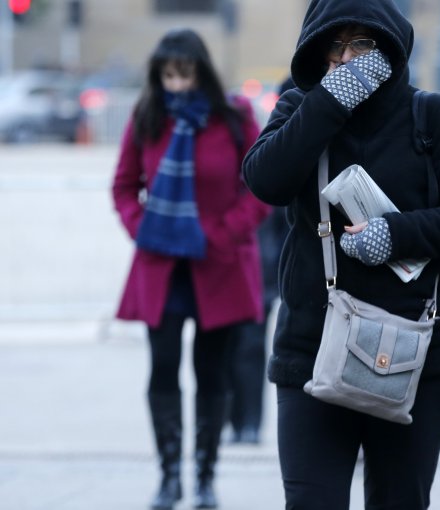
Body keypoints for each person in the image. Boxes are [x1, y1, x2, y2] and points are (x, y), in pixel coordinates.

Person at [241, 1, 440, 508]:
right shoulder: (301, 106)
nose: (345, 58)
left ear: (388, 49)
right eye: (333, 46)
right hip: (311, 352)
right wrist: (329, 102)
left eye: (361, 44)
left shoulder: (433, 116)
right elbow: (264, 180)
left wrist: (396, 234)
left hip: (416, 355)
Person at [111, 28, 270, 510]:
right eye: (167, 75)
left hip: (217, 264)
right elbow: (123, 186)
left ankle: (204, 477)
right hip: (162, 267)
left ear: (201, 70)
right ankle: (168, 476)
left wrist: (221, 232)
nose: (176, 84)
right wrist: (144, 228)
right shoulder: (147, 117)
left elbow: (260, 186)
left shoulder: (235, 117)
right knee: (162, 369)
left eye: (184, 74)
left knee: (212, 372)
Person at [223, 76, 295, 445]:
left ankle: (248, 423)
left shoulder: (279, 151)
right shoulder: (268, 150)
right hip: (243, 266)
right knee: (233, 345)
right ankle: (233, 419)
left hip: (264, 271)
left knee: (251, 346)